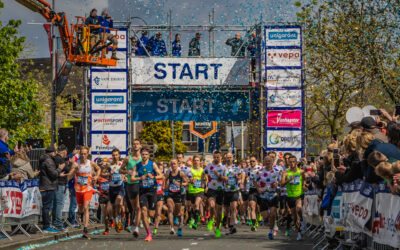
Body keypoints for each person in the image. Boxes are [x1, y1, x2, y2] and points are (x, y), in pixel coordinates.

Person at [129, 149, 163, 242]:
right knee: (143, 211)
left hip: (152, 191)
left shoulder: (152, 164)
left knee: (151, 214)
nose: (144, 156)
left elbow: (161, 176)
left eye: (146, 154)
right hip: (143, 191)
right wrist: (140, 178)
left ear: (148, 156)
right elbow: (131, 179)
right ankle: (148, 234)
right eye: (143, 154)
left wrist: (153, 177)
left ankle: (150, 220)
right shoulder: (137, 165)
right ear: (141, 155)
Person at [67, 146, 101, 239]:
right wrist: (74, 170)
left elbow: (99, 169)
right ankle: (81, 215)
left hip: (88, 189)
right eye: (81, 153)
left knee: (86, 207)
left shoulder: (91, 163)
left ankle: (85, 229)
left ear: (87, 154)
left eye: (85, 154)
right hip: (78, 190)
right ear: (79, 154)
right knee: (81, 208)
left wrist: (97, 176)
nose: (83, 155)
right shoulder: (75, 164)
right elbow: (69, 177)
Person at [39, 146, 65, 233]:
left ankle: (47, 224)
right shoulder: (49, 160)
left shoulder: (44, 159)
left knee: (46, 207)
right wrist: (59, 169)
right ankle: (46, 226)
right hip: (48, 186)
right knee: (47, 207)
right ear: (52, 152)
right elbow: (53, 174)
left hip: (46, 185)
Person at [119, 139, 142, 238]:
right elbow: (120, 170)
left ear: (140, 146)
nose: (135, 145)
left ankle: (136, 228)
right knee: (133, 208)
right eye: (134, 144)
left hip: (140, 184)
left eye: (137, 144)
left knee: (138, 206)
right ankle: (133, 221)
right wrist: (126, 172)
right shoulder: (128, 158)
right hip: (130, 184)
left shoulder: (143, 158)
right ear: (132, 146)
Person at [202, 150, 227, 238]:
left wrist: (219, 175)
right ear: (213, 157)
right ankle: (211, 219)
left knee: (219, 211)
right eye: (215, 157)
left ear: (221, 158)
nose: (216, 159)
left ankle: (217, 228)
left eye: (218, 157)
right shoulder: (209, 166)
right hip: (211, 189)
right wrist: (203, 184)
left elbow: (226, 179)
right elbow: (203, 174)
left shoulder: (223, 167)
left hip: (220, 190)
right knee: (212, 205)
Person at [254, 156, 280, 240]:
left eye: (269, 161)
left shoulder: (277, 171)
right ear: (264, 162)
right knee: (265, 217)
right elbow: (254, 181)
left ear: (272, 162)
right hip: (263, 196)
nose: (268, 162)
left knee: (272, 214)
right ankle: (272, 223)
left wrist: (277, 185)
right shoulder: (260, 172)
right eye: (266, 161)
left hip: (273, 195)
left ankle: (270, 231)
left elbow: (281, 182)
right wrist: (258, 189)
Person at [281, 155, 305, 240]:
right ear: (288, 162)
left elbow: (304, 182)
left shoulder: (301, 172)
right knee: (294, 217)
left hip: (299, 194)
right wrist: (289, 180)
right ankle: (299, 232)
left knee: (299, 208)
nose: (292, 163)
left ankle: (302, 221)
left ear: (296, 162)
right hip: (290, 196)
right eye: (290, 162)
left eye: (293, 161)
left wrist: (304, 186)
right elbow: (282, 184)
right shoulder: (285, 172)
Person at [165, 159, 188, 236]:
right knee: (170, 209)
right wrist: (166, 186)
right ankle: (171, 228)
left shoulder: (180, 173)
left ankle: (180, 226)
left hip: (179, 194)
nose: (173, 165)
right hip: (170, 194)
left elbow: (186, 182)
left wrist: (180, 184)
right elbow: (165, 180)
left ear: (177, 165)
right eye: (172, 164)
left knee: (178, 213)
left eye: (174, 164)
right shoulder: (169, 173)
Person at [223, 152, 244, 234]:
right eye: (227, 157)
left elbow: (241, 176)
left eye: (230, 157)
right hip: (225, 191)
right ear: (225, 158)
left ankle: (231, 227)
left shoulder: (236, 168)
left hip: (234, 190)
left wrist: (238, 178)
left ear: (233, 158)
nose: (229, 159)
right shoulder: (222, 167)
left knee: (233, 207)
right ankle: (226, 221)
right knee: (227, 211)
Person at [52, 145, 70, 232]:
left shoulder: (55, 158)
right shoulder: (59, 159)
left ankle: (55, 223)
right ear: (63, 151)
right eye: (66, 152)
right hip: (60, 183)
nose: (66, 154)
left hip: (57, 183)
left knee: (56, 204)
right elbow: (67, 169)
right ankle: (58, 224)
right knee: (59, 204)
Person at [106, 148, 125, 232]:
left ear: (119, 155)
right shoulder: (109, 164)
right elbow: (102, 173)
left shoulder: (122, 164)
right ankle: (117, 219)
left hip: (120, 187)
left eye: (116, 155)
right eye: (113, 155)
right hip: (111, 188)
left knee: (118, 203)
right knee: (112, 208)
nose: (115, 156)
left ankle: (119, 221)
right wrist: (108, 174)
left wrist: (125, 176)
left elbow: (127, 171)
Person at [187, 155, 206, 230]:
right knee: (193, 206)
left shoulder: (202, 170)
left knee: (197, 203)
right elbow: (187, 179)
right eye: (195, 160)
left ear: (200, 161)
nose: (196, 162)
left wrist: (204, 185)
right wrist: (190, 180)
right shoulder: (190, 170)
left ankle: (195, 222)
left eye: (198, 160)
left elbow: (205, 179)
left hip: (200, 190)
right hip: (192, 190)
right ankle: (194, 218)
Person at [245, 156, 262, 231]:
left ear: (256, 161)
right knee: (252, 206)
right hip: (252, 189)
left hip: (260, 189)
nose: (251, 163)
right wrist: (244, 183)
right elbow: (245, 178)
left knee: (258, 207)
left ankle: (258, 215)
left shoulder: (260, 168)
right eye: (250, 161)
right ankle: (253, 224)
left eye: (253, 161)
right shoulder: (247, 169)